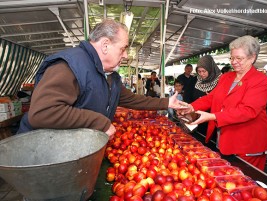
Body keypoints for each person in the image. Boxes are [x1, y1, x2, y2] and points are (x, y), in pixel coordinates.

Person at [17, 19, 184, 139]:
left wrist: (167, 103)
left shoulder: (110, 76)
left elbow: (132, 100)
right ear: (105, 45)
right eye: (123, 48)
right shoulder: (70, 66)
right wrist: (100, 122)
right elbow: (42, 113)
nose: (125, 55)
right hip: (43, 157)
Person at [178, 35, 267, 171]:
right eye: (232, 58)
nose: (234, 62)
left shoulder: (260, 80)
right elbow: (211, 98)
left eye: (239, 58)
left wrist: (213, 117)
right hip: (224, 140)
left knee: (245, 182)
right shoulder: (227, 77)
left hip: (246, 145)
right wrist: (191, 106)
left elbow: (248, 111)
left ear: (252, 58)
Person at [191, 55, 221, 135]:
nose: (201, 74)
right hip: (198, 119)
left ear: (210, 69)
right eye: (199, 71)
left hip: (213, 120)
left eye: (204, 71)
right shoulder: (197, 81)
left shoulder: (220, 81)